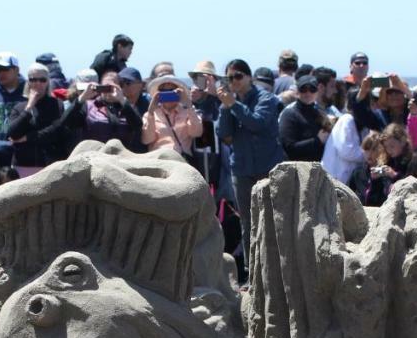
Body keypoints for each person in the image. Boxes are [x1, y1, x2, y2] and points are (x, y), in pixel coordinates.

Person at [217, 59, 283, 268]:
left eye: (238, 76)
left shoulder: (266, 98)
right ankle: (252, 271)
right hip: (242, 169)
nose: (234, 81)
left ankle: (275, 268)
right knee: (247, 222)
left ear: (249, 77)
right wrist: (226, 107)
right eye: (230, 78)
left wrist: (233, 105)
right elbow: (224, 133)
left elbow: (258, 123)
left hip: (267, 167)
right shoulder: (229, 102)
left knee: (272, 220)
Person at [59, 69, 144, 152]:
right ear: (99, 87)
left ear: (120, 87)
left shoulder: (127, 107)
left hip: (120, 158)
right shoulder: (88, 106)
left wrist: (122, 99)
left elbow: (138, 126)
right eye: (104, 87)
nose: (107, 91)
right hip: (93, 156)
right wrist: (81, 99)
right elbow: (66, 123)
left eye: (110, 88)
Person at [5, 64, 67, 175]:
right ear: (28, 82)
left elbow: (56, 131)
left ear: (47, 82)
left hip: (49, 166)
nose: (38, 83)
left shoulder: (57, 105)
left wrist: (28, 137)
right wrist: (28, 108)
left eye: (42, 80)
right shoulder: (19, 107)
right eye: (33, 79)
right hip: (22, 166)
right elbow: (12, 134)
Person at [349, 124, 412, 207]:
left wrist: (395, 175)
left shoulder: (412, 163)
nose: (389, 150)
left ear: (403, 141)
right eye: (386, 147)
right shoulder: (386, 164)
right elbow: (372, 202)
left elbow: (412, 188)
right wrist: (374, 180)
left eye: (392, 146)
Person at [141, 74, 202, 155]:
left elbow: (196, 133)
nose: (168, 93)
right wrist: (151, 111)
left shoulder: (188, 113)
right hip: (159, 159)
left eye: (172, 90)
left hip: (181, 159)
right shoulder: (150, 115)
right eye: (163, 91)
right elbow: (147, 140)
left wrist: (189, 105)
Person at [278, 75, 329, 161]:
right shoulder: (289, 114)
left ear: (317, 92)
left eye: (312, 89)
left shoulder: (320, 113)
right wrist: (317, 141)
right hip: (296, 169)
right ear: (297, 92)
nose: (308, 93)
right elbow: (289, 147)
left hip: (318, 169)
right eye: (303, 89)